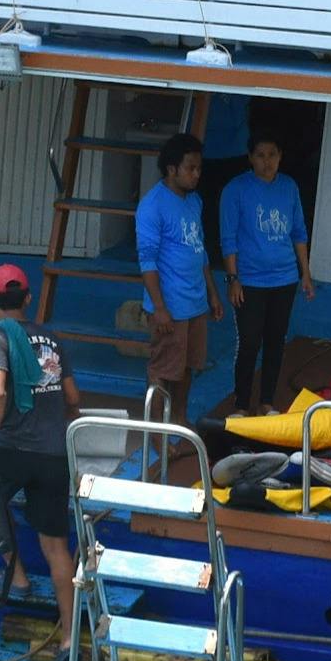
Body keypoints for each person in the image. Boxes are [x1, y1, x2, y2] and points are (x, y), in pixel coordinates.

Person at [0, 266, 84, 651]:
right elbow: (72, 398)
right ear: (28, 299)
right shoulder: (51, 338)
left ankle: (16, 576)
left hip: (13, 450)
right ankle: (69, 634)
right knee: (57, 546)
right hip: (54, 453)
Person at [218, 137, 313, 417]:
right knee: (249, 342)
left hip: (284, 278)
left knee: (276, 341)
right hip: (249, 281)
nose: (267, 161)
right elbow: (228, 237)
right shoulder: (236, 190)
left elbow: (298, 233)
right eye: (260, 155)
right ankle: (241, 404)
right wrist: (233, 278)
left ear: (281, 156)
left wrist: (305, 273)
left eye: (272, 154)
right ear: (250, 157)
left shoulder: (289, 187)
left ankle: (267, 402)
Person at [135, 134, 217, 437]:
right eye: (190, 168)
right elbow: (147, 261)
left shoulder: (194, 201)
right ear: (172, 169)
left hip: (196, 304)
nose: (196, 174)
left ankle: (179, 421)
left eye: (198, 168)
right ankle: (156, 432)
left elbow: (200, 250)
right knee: (161, 370)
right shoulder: (152, 206)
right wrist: (160, 308)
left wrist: (212, 293)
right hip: (170, 306)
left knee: (187, 368)